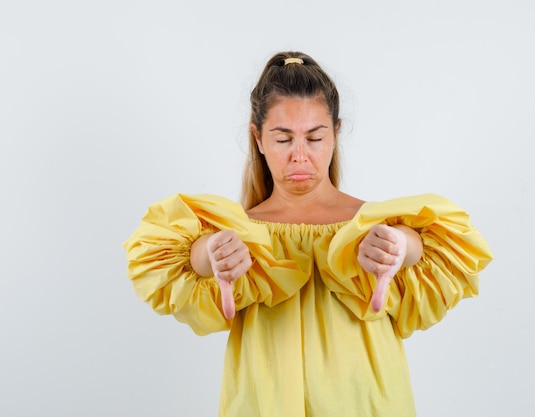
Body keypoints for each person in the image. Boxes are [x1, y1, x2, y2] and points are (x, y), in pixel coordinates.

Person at [123, 51, 493, 417]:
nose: (300, 156)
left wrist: (401, 246)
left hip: (367, 405)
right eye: (283, 139)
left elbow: (433, 247)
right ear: (258, 138)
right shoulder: (241, 232)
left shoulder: (372, 224)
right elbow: (172, 260)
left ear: (336, 133)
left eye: (314, 139)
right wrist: (209, 253)